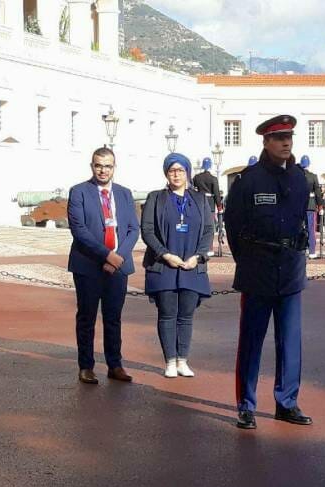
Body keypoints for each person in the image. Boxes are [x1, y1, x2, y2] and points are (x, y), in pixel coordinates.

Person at [224, 114, 312, 430]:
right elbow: (232, 225)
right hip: (257, 267)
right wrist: (246, 260)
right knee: (251, 340)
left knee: (290, 341)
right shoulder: (249, 180)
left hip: (289, 268)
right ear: (266, 141)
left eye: (289, 136)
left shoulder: (301, 178)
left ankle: (286, 403)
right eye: (279, 138)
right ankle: (246, 405)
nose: (286, 142)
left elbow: (303, 220)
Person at [68, 147, 139, 385]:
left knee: (113, 317)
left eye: (107, 166)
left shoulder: (125, 193)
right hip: (88, 265)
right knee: (87, 317)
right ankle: (86, 366)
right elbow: (80, 231)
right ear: (92, 166)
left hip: (118, 266)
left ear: (114, 168)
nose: (103, 170)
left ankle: (115, 364)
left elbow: (132, 229)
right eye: (98, 165)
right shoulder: (79, 192)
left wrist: (118, 256)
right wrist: (107, 256)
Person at [142, 153, 213, 378]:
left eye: (180, 170)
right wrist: (164, 254)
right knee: (167, 314)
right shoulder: (156, 198)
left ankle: (183, 360)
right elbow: (148, 230)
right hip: (165, 265)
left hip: (192, 265)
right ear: (166, 173)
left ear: (187, 173)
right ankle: (170, 361)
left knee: (186, 316)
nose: (176, 175)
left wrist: (199, 256)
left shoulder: (200, 199)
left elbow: (209, 230)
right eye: (172, 170)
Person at [192, 157, 222, 257]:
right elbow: (217, 194)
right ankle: (209, 248)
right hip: (210, 204)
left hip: (199, 202)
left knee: (200, 226)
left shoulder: (196, 177)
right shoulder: (213, 179)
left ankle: (199, 248)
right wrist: (219, 207)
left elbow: (193, 189)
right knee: (210, 227)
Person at [300, 155, 324, 258]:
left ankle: (301, 249)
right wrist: (320, 206)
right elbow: (318, 193)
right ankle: (312, 251)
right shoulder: (313, 176)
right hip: (310, 204)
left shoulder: (296, 176)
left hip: (299, 206)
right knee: (311, 229)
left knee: (300, 229)